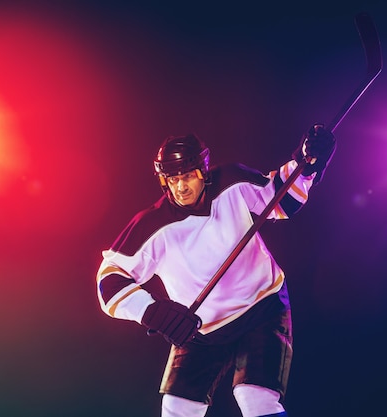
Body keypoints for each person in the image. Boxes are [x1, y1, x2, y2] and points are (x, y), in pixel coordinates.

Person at [96, 125, 336, 417]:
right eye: (173, 179)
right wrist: (153, 312)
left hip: (262, 307)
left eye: (187, 177)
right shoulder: (152, 226)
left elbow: (280, 199)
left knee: (254, 398)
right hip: (201, 329)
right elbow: (109, 279)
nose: (181, 187)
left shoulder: (232, 182)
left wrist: (306, 162)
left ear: (203, 172)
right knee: (176, 409)